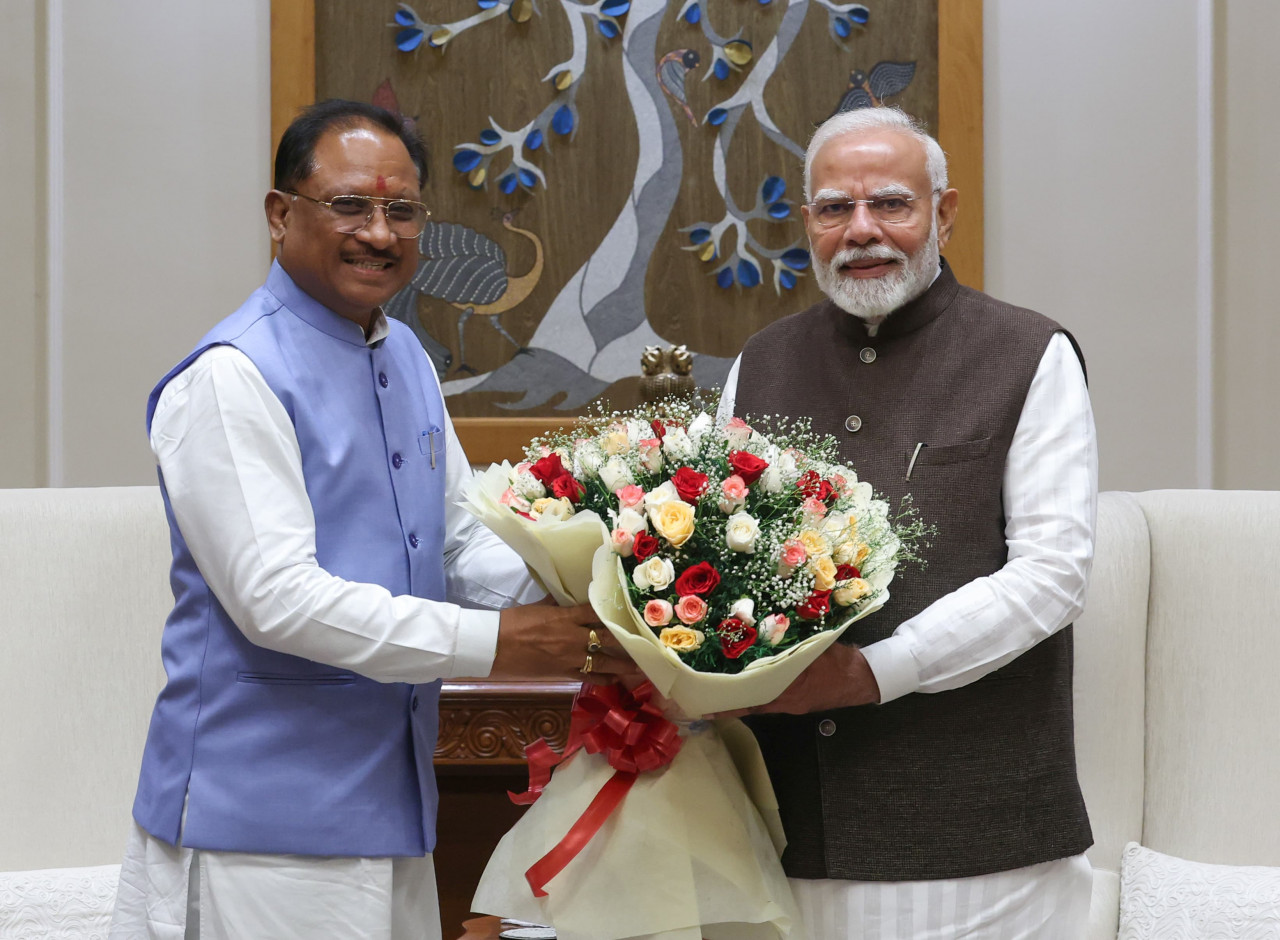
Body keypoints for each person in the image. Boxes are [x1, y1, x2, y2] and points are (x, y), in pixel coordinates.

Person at [109, 99, 630, 939]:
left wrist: (616, 578)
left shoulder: (405, 355)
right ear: (281, 215)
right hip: (260, 826)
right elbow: (278, 599)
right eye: (349, 206)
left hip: (390, 803)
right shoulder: (231, 377)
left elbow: (459, 539)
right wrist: (502, 643)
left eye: (402, 211)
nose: (379, 234)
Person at [718, 107, 1097, 938]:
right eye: (832, 209)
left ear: (944, 213)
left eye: (891, 203)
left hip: (978, 846)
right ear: (807, 223)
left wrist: (875, 671)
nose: (861, 231)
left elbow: (1053, 574)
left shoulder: (1029, 355)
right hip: (775, 835)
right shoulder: (760, 366)